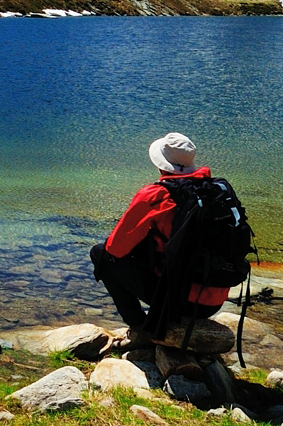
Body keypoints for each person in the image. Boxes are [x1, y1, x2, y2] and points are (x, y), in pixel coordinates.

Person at [90, 131, 234, 350]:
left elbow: (115, 249)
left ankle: (140, 328)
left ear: (160, 165)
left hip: (180, 301)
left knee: (100, 254)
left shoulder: (155, 195)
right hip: (214, 300)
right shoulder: (215, 190)